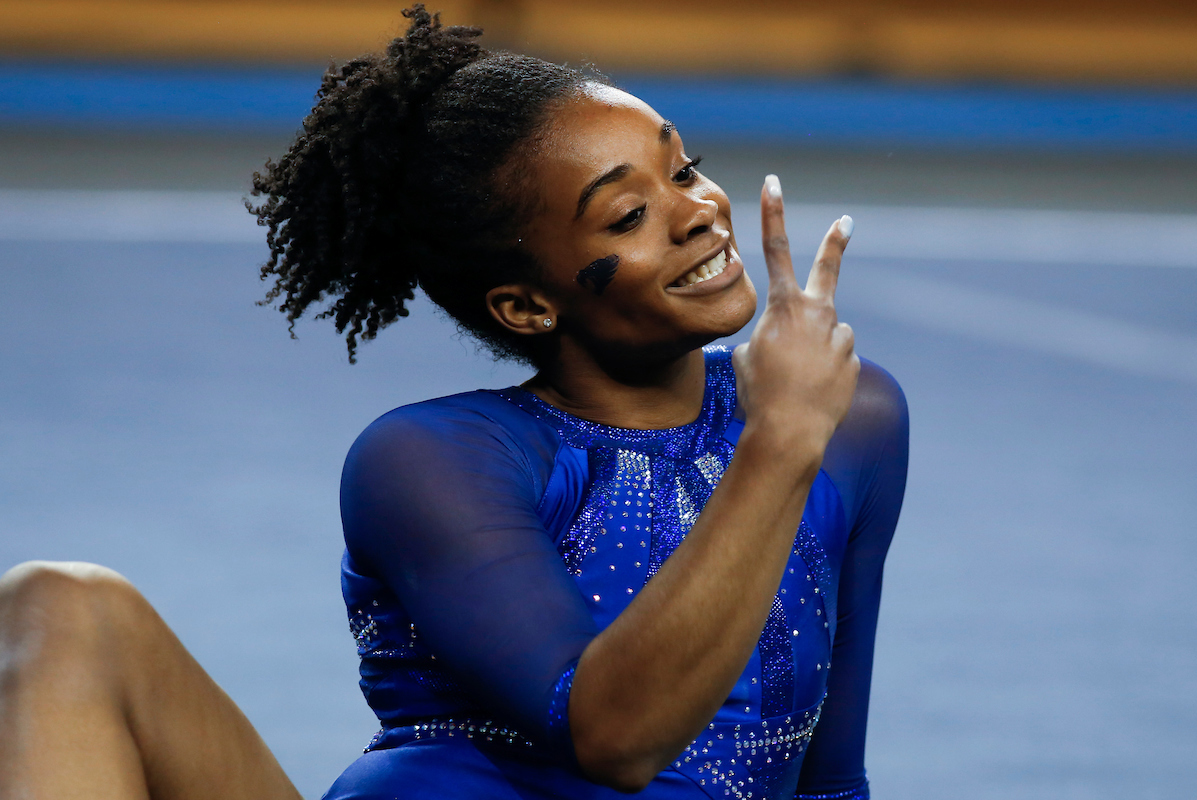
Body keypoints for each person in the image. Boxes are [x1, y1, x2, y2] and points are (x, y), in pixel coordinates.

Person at [0, 6, 907, 800]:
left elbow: (829, 777)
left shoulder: (855, 419)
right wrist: (780, 444)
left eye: (682, 169)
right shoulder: (435, 459)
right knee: (65, 609)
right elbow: (612, 737)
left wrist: (793, 432)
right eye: (625, 217)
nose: (700, 210)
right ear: (525, 305)